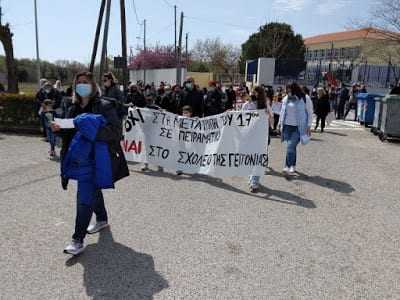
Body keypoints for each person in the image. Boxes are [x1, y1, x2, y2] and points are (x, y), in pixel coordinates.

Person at [52, 71, 129, 255]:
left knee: (84, 197)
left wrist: (90, 130)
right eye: (78, 83)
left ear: (93, 85)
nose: (82, 85)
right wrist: (58, 130)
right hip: (79, 160)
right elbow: (70, 134)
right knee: (93, 190)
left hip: (97, 159)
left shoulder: (104, 106)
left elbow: (115, 132)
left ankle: (77, 239)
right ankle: (102, 219)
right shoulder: (72, 107)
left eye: (85, 82)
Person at [278, 83, 313, 175]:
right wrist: (280, 124)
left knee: (290, 146)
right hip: (287, 126)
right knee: (291, 147)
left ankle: (287, 166)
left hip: (299, 127)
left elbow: (310, 112)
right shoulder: (286, 98)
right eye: (287, 91)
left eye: (290, 91)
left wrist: (309, 126)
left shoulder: (305, 98)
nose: (288, 93)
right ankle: (292, 165)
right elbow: (282, 111)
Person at [243, 86, 273, 193]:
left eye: (256, 93)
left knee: (258, 157)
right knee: (251, 157)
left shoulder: (265, 105)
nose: (253, 95)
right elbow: (241, 118)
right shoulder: (247, 105)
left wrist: (267, 117)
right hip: (250, 135)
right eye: (252, 92)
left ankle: (254, 181)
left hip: (261, 136)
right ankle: (252, 178)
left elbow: (271, 117)